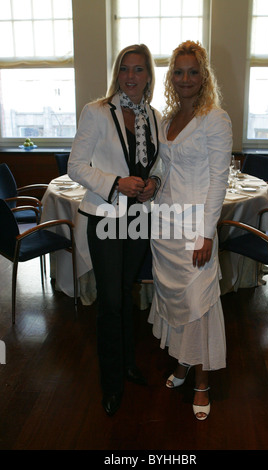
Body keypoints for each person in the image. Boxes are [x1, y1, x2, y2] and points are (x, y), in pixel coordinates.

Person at [68, 44, 161, 416]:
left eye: (138, 70)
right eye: (125, 69)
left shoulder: (153, 117)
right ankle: (110, 383)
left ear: (148, 76)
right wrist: (115, 183)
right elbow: (77, 165)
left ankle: (126, 364)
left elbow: (158, 164)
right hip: (105, 215)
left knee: (126, 293)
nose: (131, 77)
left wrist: (154, 181)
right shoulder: (95, 112)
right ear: (117, 74)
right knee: (109, 302)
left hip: (139, 217)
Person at [148, 40, 232, 420]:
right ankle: (181, 364)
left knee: (199, 304)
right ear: (171, 77)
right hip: (164, 226)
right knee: (172, 303)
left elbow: (219, 179)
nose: (185, 78)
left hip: (196, 226)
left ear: (204, 76)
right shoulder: (166, 120)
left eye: (193, 71)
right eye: (178, 72)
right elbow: (165, 170)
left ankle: (202, 381)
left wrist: (207, 233)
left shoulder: (215, 118)